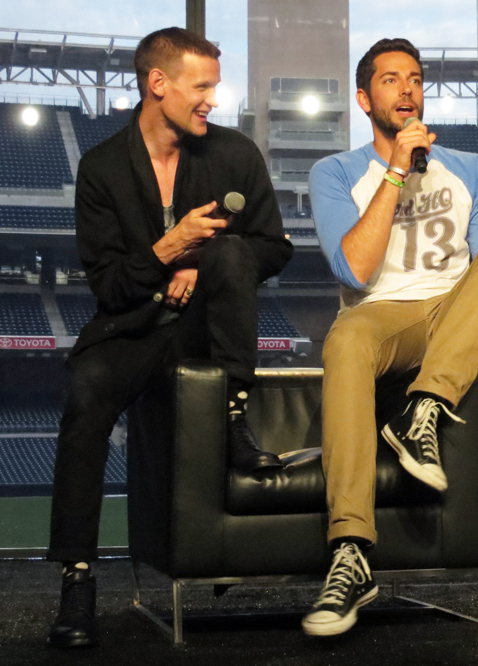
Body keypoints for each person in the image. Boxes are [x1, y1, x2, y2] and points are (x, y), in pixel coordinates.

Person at [46, 27, 293, 648]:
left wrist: (201, 261)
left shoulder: (234, 153)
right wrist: (169, 248)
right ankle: (77, 581)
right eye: (202, 85)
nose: (213, 98)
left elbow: (274, 248)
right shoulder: (101, 167)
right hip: (129, 329)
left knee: (233, 253)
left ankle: (234, 417)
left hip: (203, 331)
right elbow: (109, 285)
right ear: (159, 84)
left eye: (214, 84)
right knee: (84, 402)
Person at [306, 38, 478, 637]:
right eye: (390, 80)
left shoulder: (470, 168)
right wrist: (395, 172)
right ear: (364, 98)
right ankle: (351, 552)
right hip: (385, 313)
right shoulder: (333, 173)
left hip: (457, 305)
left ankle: (426, 406)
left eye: (414, 78)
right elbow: (353, 270)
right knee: (346, 340)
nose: (407, 89)